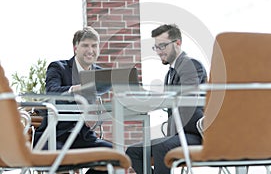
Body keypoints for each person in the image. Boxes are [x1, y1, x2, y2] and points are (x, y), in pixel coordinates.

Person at [126, 24, 207, 174]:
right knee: (133, 151)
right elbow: (169, 100)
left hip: (194, 134)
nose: (159, 52)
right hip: (177, 135)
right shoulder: (169, 73)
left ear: (178, 43)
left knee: (161, 147)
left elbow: (186, 99)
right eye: (156, 47)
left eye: (162, 46)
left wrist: (154, 97)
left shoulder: (191, 65)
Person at [34, 26, 112, 174]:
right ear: (75, 48)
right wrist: (78, 88)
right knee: (60, 161)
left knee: (113, 155)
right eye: (85, 45)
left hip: (82, 136)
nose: (90, 50)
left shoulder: (101, 74)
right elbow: (52, 92)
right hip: (54, 135)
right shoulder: (58, 67)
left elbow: (119, 87)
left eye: (94, 46)